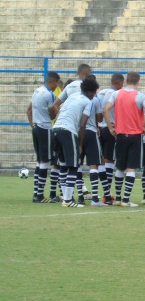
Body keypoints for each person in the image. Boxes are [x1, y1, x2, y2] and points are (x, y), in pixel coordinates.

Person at [103, 71, 145, 207]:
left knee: (119, 166)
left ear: (125, 81)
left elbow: (106, 110)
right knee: (131, 168)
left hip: (120, 135)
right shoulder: (140, 96)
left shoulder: (116, 94)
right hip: (135, 136)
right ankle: (126, 199)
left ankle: (118, 198)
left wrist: (110, 127)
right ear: (138, 82)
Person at [52, 76, 99, 208]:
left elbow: (57, 107)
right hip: (68, 131)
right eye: (94, 92)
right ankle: (67, 200)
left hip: (55, 129)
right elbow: (83, 124)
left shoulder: (72, 96)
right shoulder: (88, 101)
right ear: (90, 92)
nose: (94, 95)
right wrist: (79, 144)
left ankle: (66, 199)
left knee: (62, 165)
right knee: (73, 165)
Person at [27, 71, 60, 203]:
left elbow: (28, 110)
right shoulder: (49, 94)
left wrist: (32, 125)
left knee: (39, 161)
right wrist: (57, 112)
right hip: (45, 128)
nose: (56, 86)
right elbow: (51, 116)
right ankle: (40, 196)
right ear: (54, 81)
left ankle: (36, 193)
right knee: (45, 162)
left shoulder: (36, 91)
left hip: (35, 128)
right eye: (56, 83)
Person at [79, 74, 110, 207]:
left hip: (78, 132)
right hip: (90, 132)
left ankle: (80, 196)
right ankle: (96, 199)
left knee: (78, 164)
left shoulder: (76, 98)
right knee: (95, 164)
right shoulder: (95, 100)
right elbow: (99, 118)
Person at [97, 72, 124, 204]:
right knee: (109, 161)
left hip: (99, 128)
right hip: (111, 128)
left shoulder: (101, 93)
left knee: (101, 161)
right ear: (118, 83)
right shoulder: (116, 94)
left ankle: (105, 193)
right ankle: (106, 194)